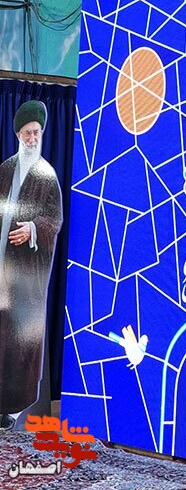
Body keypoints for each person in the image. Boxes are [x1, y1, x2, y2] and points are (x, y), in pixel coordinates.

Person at [0, 100, 63, 430]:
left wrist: (34, 229)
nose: (33, 138)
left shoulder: (47, 176)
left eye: (37, 132)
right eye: (27, 133)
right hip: (1, 269)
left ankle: (13, 409)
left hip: (26, 275)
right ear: (17, 135)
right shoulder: (5, 170)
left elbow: (55, 219)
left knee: (19, 341)